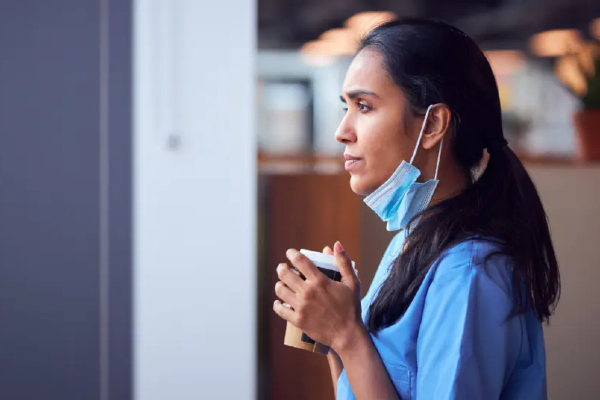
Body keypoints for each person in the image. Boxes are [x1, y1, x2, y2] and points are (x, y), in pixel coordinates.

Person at [273, 18, 560, 400]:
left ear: (432, 126)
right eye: (346, 107)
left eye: (363, 106)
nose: (342, 130)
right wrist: (337, 334)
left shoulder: (469, 273)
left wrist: (348, 334)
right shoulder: (413, 240)